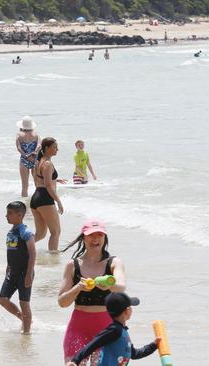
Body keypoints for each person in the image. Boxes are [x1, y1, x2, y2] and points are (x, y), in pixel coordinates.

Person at [58, 220, 127, 364]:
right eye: (91, 235)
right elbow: (62, 302)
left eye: (99, 235)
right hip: (78, 328)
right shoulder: (72, 265)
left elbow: (121, 286)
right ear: (83, 237)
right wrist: (77, 288)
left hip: (106, 329)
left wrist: (108, 286)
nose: (95, 239)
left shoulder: (114, 262)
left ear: (104, 238)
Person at [66, 293, 158, 366]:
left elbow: (134, 354)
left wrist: (154, 345)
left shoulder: (122, 331)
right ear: (126, 310)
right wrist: (75, 361)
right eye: (130, 307)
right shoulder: (114, 330)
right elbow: (92, 344)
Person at [0, 201, 36, 334]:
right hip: (12, 271)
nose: (6, 216)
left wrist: (29, 274)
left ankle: (26, 332)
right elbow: (11, 252)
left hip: (24, 272)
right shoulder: (10, 232)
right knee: (3, 299)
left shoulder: (26, 232)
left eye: (9, 213)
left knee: (24, 303)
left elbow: (32, 254)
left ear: (20, 215)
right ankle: (24, 319)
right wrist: (8, 267)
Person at [30, 137, 65, 252]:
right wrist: (58, 201)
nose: (57, 149)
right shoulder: (48, 164)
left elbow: (37, 180)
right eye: (54, 147)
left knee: (40, 234)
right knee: (56, 232)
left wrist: (55, 179)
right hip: (45, 199)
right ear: (46, 148)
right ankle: (53, 259)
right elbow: (48, 186)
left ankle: (21, 247)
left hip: (36, 198)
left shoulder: (39, 162)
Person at [15, 116, 41, 197]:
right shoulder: (36, 135)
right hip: (34, 160)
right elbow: (39, 146)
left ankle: (24, 206)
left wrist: (26, 156)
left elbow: (19, 149)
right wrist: (34, 153)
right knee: (38, 185)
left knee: (24, 186)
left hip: (24, 160)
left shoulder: (19, 135)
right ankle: (38, 203)